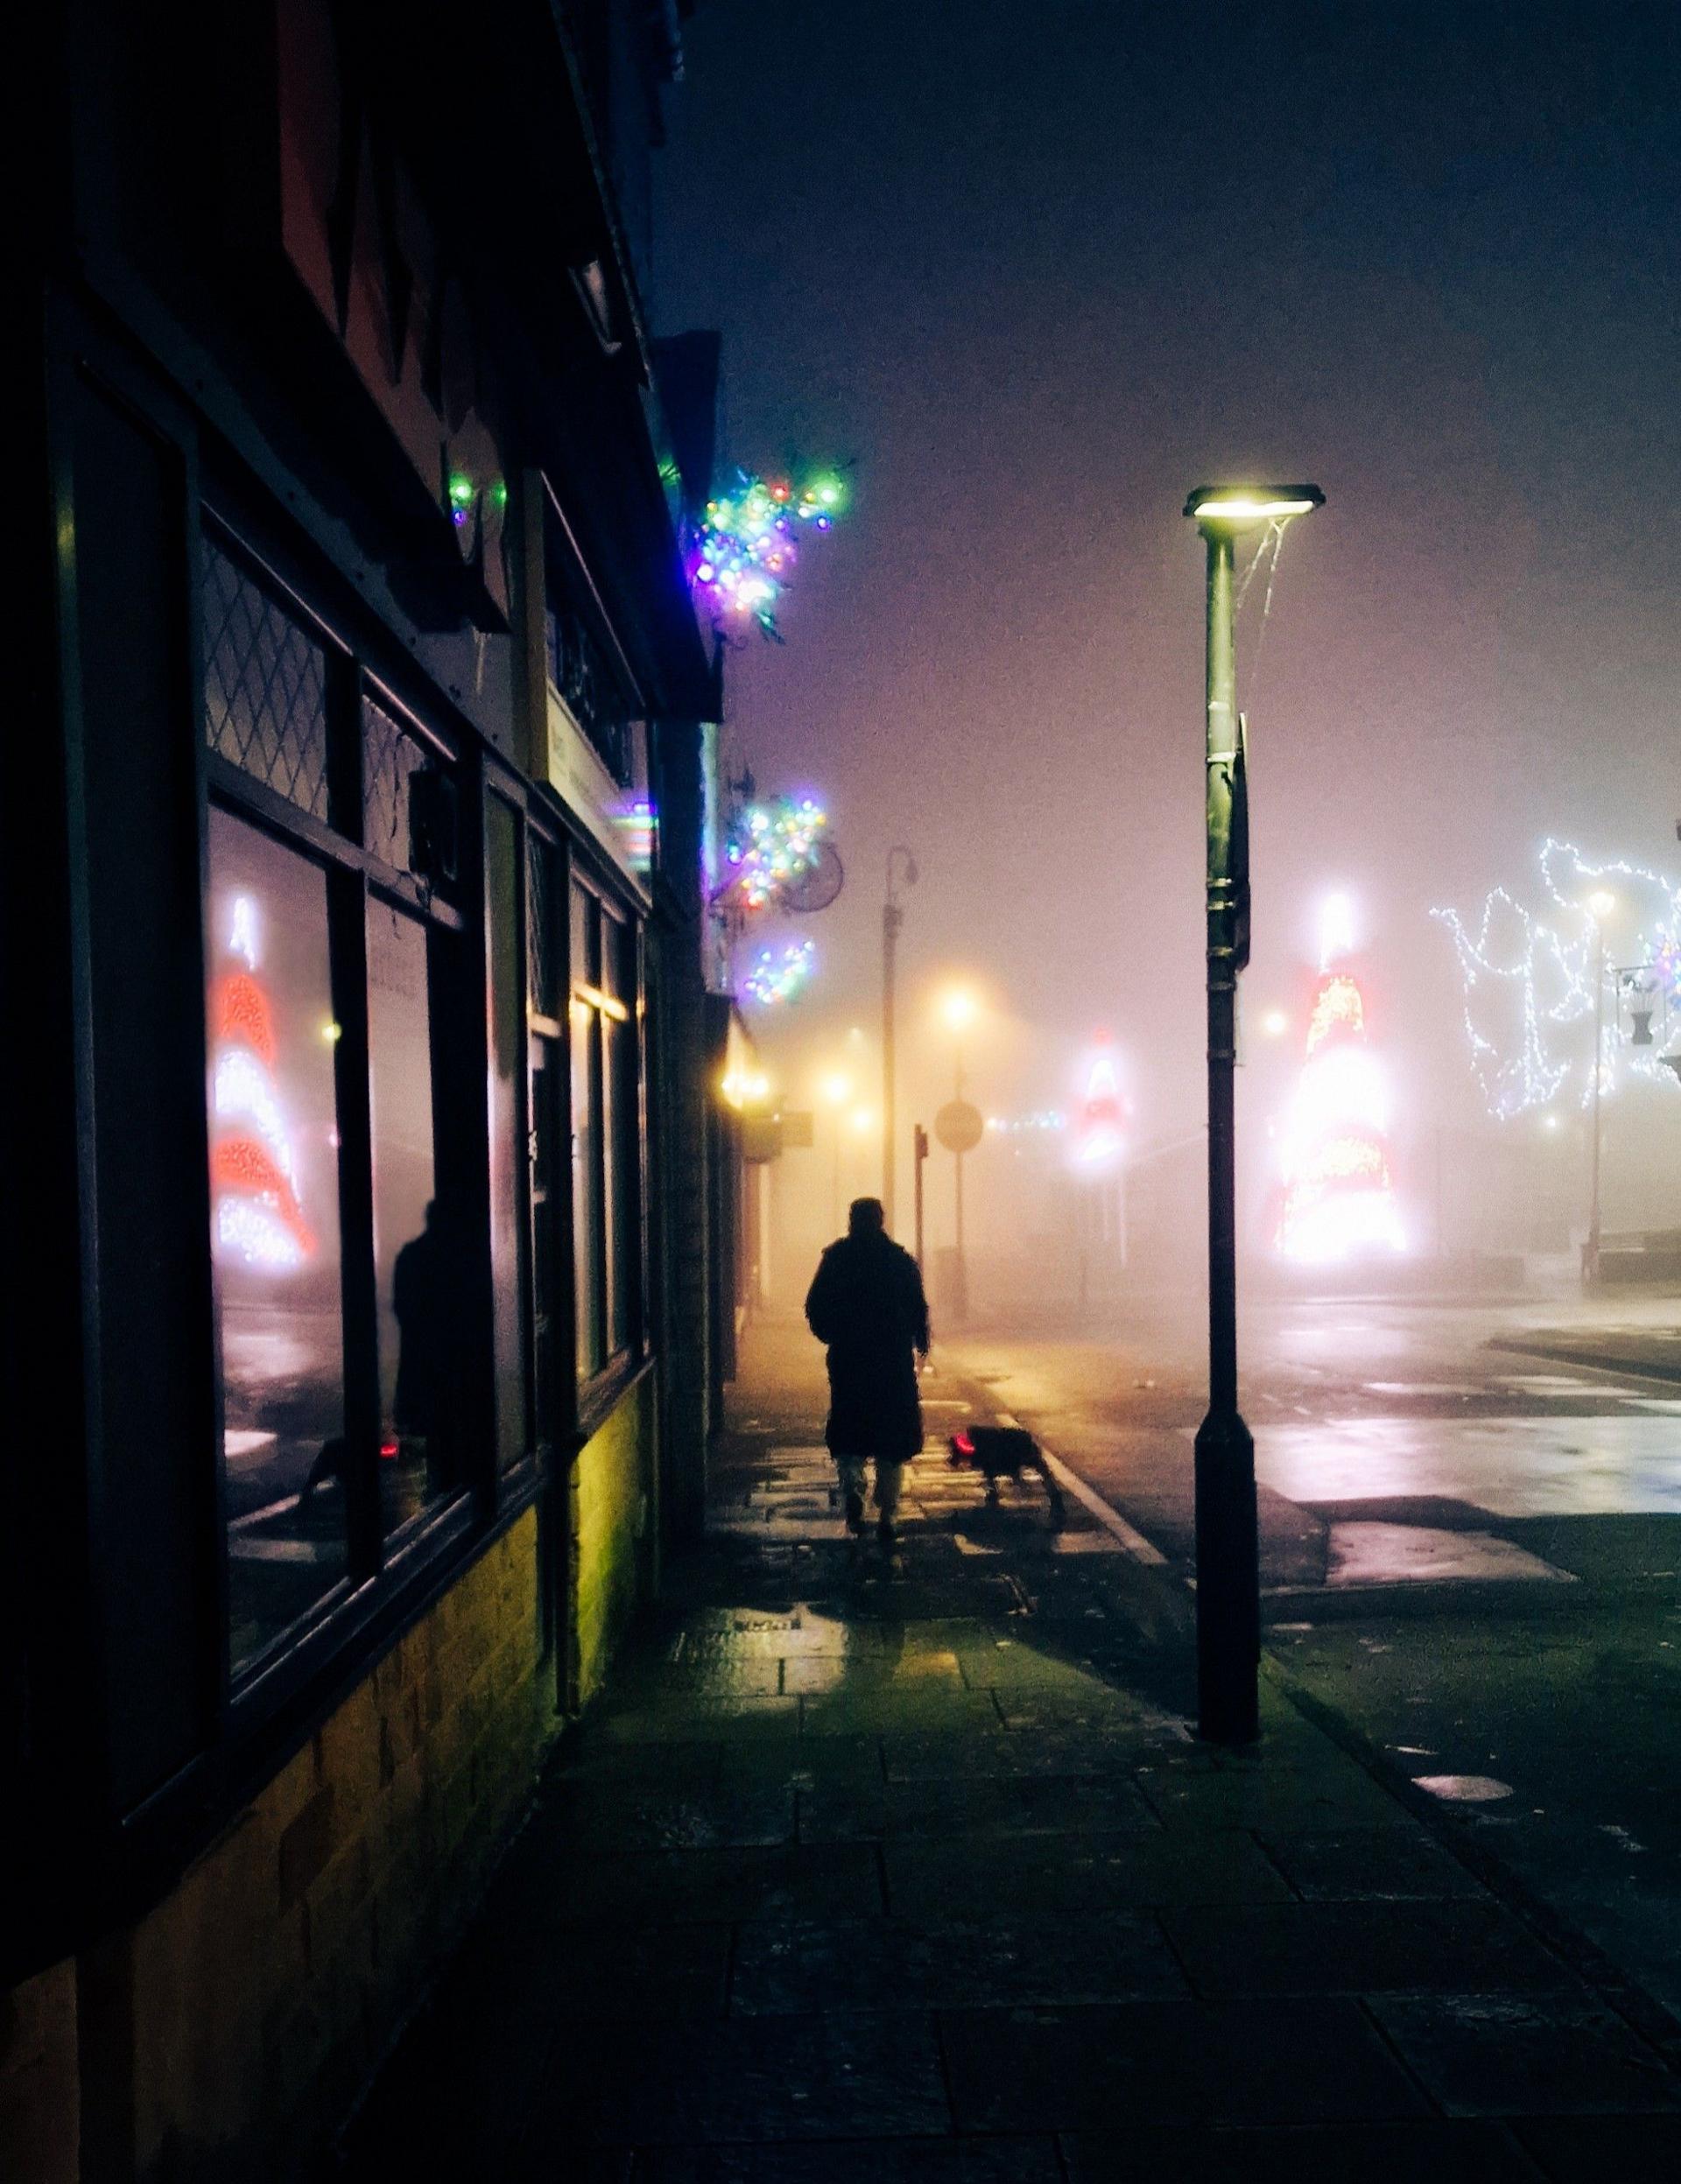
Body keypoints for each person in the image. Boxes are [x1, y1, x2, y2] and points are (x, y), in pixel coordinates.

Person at [805, 1197, 931, 1546]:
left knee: (849, 1433)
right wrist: (918, 1344)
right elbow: (917, 1308)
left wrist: (834, 1335)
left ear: (852, 1221)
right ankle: (889, 1512)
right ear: (881, 1221)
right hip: (891, 1363)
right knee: (892, 1440)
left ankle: (853, 1492)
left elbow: (815, 1306)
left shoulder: (837, 1259)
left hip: (850, 1361)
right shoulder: (900, 1261)